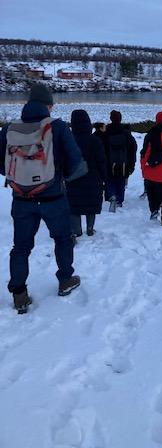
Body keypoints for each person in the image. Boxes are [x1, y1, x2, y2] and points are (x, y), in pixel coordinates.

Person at [0, 84, 87, 313]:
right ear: (48, 105)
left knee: (20, 248)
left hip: (21, 198)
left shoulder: (9, 129)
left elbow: (2, 165)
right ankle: (65, 280)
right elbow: (76, 161)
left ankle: (19, 293)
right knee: (63, 239)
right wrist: (57, 177)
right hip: (54, 198)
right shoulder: (57, 127)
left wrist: (21, 178)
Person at [66, 110, 107, 238]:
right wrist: (104, 178)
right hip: (93, 178)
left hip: (73, 178)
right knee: (91, 204)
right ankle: (90, 229)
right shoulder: (95, 141)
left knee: (74, 206)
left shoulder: (68, 140)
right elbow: (102, 161)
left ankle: (77, 231)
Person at [103, 110, 137, 209]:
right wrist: (132, 165)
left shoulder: (106, 132)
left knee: (110, 180)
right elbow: (133, 149)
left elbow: (101, 147)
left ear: (111, 119)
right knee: (121, 181)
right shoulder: (126, 133)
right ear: (120, 119)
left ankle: (112, 196)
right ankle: (119, 200)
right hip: (124, 163)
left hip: (109, 163)